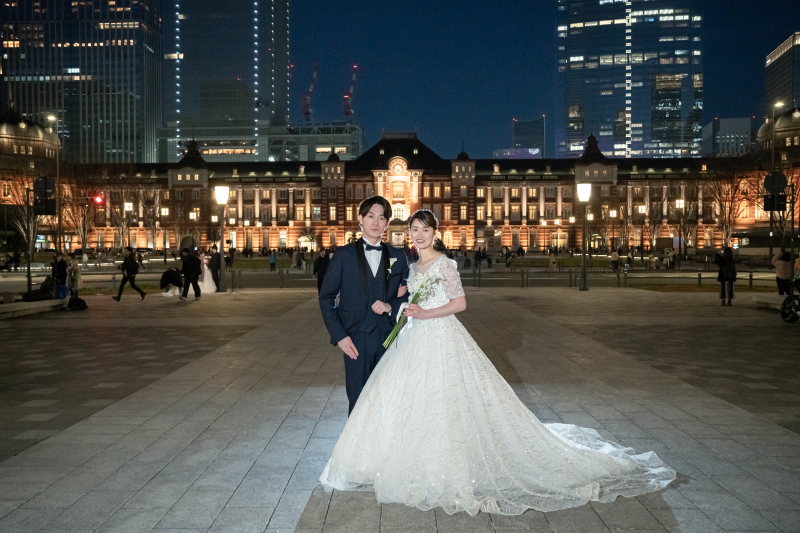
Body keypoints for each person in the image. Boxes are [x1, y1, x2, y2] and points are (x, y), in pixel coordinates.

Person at [319, 209, 675, 515]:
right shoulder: (410, 265)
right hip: (413, 338)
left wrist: (424, 312)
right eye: (414, 229)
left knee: (447, 396)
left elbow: (460, 304)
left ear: (435, 232)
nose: (420, 235)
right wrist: (397, 302)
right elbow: (404, 296)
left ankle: (442, 459)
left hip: (440, 334)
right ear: (408, 232)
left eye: (425, 229)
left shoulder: (445, 263)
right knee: (411, 397)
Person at [318, 196, 410, 414]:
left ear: (387, 223)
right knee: (359, 403)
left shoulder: (398, 256)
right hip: (355, 339)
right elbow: (326, 297)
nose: (375, 222)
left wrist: (391, 305)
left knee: (388, 402)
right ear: (360, 219)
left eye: (381, 218)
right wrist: (340, 336)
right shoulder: (344, 255)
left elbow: (410, 295)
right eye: (370, 216)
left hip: (389, 338)